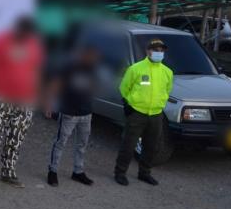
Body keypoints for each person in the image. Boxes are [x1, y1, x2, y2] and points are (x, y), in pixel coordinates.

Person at [0, 17, 44, 190]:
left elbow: (35, 69)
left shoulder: (34, 45)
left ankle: (8, 172)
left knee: (16, 138)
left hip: (24, 99)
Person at [113, 38, 173, 186]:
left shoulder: (167, 72)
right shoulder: (136, 68)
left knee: (151, 146)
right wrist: (129, 105)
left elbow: (167, 91)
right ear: (148, 51)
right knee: (128, 145)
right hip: (137, 114)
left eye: (161, 50)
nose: (158, 53)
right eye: (155, 50)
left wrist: (160, 105)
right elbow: (123, 88)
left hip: (156, 115)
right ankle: (120, 173)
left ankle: (144, 173)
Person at [45, 45, 100, 187]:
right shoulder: (69, 67)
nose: (93, 59)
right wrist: (50, 103)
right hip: (69, 113)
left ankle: (78, 171)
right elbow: (56, 85)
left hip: (86, 114)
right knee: (60, 142)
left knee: (82, 144)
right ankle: (52, 171)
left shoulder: (92, 69)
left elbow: (94, 87)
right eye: (90, 56)